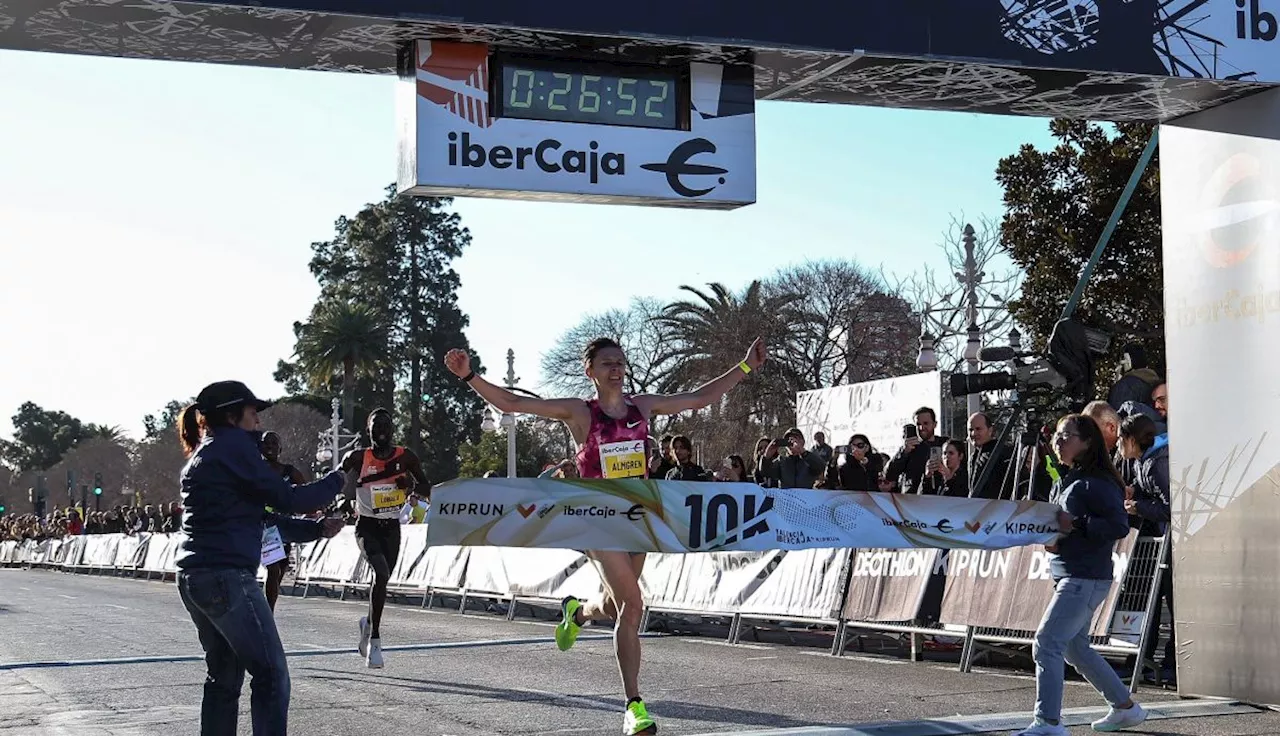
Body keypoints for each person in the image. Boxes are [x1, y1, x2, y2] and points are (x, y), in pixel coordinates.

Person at [444, 335, 767, 736]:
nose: (616, 368)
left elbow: (698, 398)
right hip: (597, 519)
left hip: (639, 518)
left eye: (620, 362)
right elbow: (513, 404)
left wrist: (746, 366)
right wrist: (469, 376)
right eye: (606, 363)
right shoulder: (580, 413)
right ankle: (634, 707)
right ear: (590, 371)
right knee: (633, 606)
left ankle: (577, 612)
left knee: (616, 609)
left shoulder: (642, 406)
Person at [176, 381, 349, 736]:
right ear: (231, 415)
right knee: (271, 674)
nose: (258, 421)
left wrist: (316, 530)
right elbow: (288, 499)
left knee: (223, 678)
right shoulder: (233, 448)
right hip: (227, 577)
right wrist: (340, 477)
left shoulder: (208, 453)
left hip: (196, 577)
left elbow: (264, 520)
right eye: (253, 413)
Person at [1014, 414, 1146, 736]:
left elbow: (1119, 526)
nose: (1059, 441)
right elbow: (1066, 525)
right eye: (1058, 435)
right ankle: (1125, 708)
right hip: (1072, 574)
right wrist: (1056, 538)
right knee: (1075, 648)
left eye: (1066, 435)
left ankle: (1048, 723)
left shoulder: (1098, 482)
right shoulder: (1068, 479)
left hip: (1084, 578)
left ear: (1087, 442)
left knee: (1046, 643)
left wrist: (1077, 524)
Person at [344, 408, 428, 669]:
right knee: (380, 574)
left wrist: (410, 487)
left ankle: (367, 624)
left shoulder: (406, 457)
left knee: (384, 579)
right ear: (367, 430)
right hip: (366, 526)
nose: (381, 429)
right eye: (375, 425)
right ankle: (375, 642)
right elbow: (336, 476)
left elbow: (426, 486)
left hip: (392, 527)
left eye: (385, 425)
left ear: (392, 429)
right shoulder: (359, 457)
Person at [260, 431, 310, 612]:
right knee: (273, 568)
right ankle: (268, 614)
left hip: (285, 527)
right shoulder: (254, 470)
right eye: (266, 443)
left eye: (274, 443)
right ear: (259, 447)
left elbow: (306, 494)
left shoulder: (290, 472)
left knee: (280, 569)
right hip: (264, 525)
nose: (270, 447)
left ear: (280, 448)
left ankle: (266, 605)